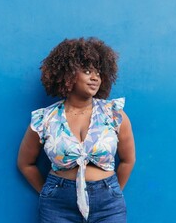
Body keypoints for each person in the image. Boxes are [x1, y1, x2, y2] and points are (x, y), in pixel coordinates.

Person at [17, 37, 136, 223]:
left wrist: (112, 191)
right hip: (58, 206)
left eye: (98, 72)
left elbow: (128, 160)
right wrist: (49, 193)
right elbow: (25, 163)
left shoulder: (114, 114)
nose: (95, 77)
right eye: (87, 71)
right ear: (69, 74)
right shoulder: (45, 119)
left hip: (108, 206)